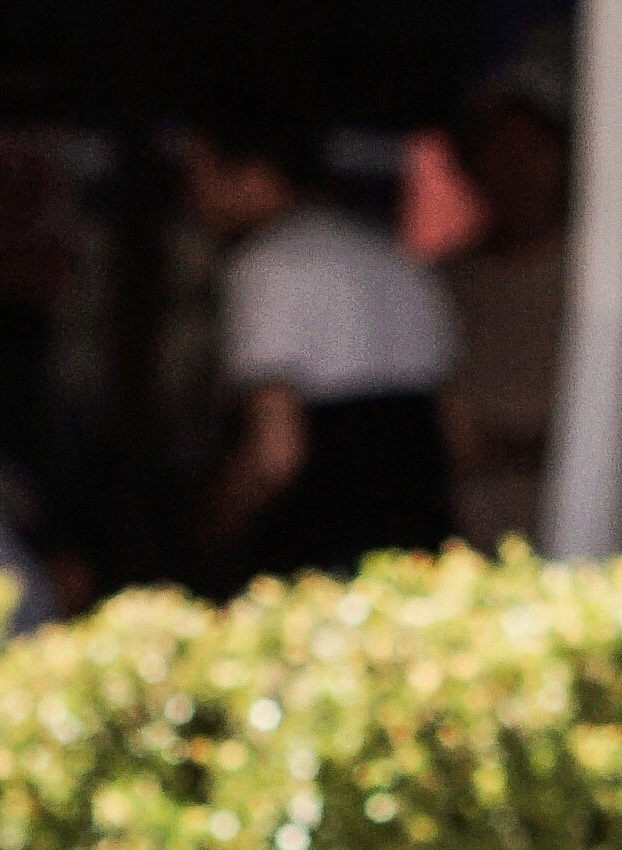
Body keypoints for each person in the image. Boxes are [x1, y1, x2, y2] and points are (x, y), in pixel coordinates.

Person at [182, 110, 457, 585]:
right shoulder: (398, 259)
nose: (195, 198)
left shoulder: (269, 264)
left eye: (203, 176)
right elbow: (458, 432)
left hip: (322, 564)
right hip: (418, 552)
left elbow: (277, 454)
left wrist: (207, 538)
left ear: (255, 175)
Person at [442, 80, 572, 549]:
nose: (515, 169)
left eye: (530, 151)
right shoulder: (448, 283)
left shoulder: (604, 286)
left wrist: (507, 449)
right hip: (462, 542)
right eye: (498, 150)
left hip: (581, 541)